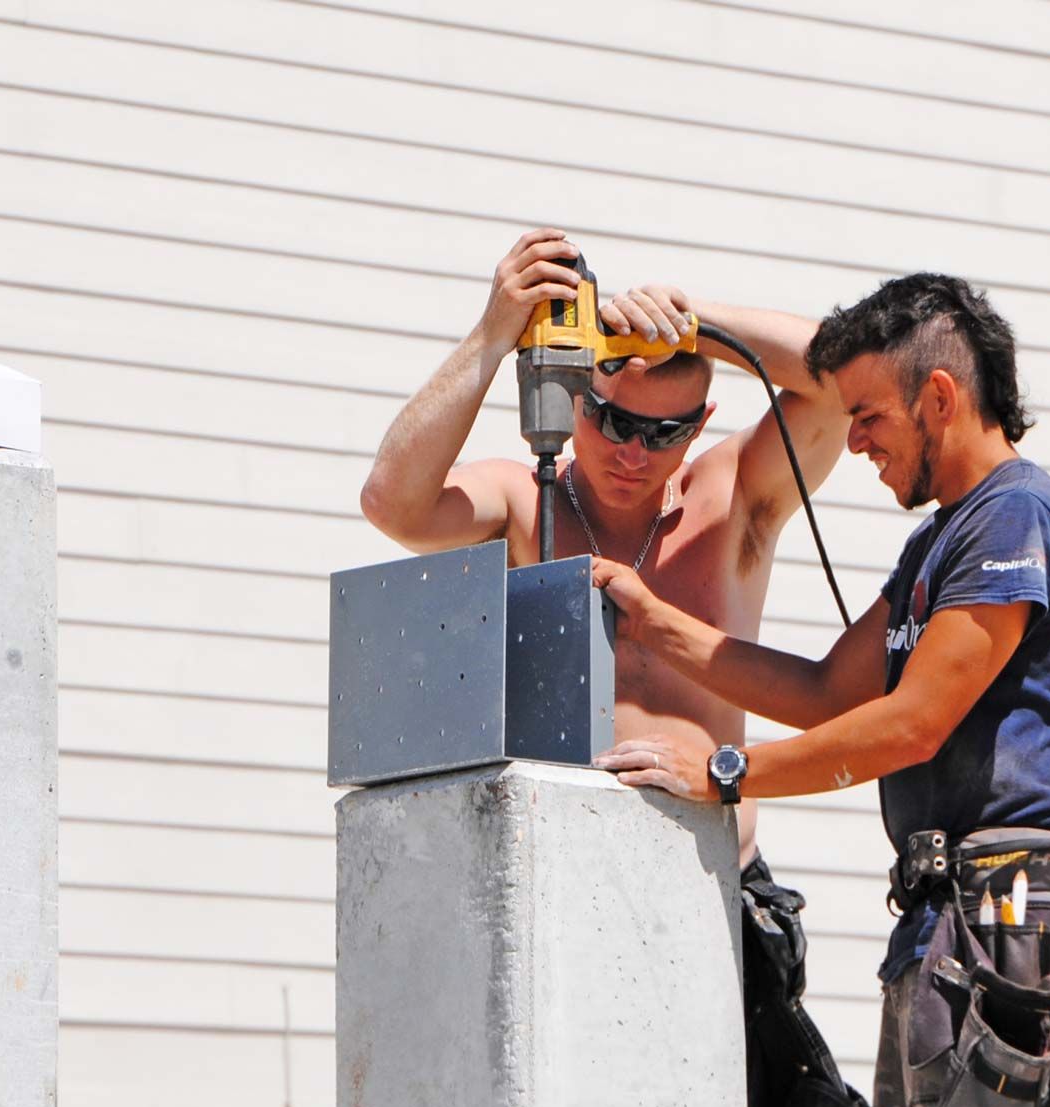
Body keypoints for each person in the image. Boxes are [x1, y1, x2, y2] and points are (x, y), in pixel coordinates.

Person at [589, 273, 1050, 1107]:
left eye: (872, 415)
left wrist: (729, 772)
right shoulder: (940, 543)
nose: (859, 438)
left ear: (942, 401)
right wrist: (657, 627)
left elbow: (910, 724)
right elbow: (834, 691)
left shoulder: (1014, 518)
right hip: (945, 934)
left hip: (1005, 928)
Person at [360, 228, 849, 867]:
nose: (632, 453)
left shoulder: (731, 501)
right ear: (571, 397)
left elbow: (846, 379)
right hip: (568, 864)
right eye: (612, 420)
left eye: (663, 432)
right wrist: (495, 331)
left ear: (700, 425)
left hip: (716, 873)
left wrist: (697, 325)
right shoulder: (525, 502)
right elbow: (393, 503)